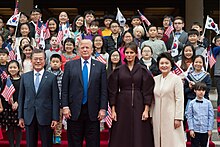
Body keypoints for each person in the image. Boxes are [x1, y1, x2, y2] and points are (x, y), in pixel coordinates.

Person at [62, 39, 107, 147]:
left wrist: (103, 108)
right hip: (73, 111)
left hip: (93, 112)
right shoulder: (70, 65)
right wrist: (65, 106)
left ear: (92, 50)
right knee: (74, 142)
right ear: (78, 50)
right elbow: (65, 88)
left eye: (87, 47)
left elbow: (104, 90)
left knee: (93, 142)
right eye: (82, 47)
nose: (85, 49)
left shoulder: (100, 66)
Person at [108, 42, 154, 147]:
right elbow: (113, 90)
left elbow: (147, 90)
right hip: (122, 103)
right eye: (127, 52)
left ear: (136, 54)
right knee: (121, 130)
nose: (129, 55)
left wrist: (146, 110)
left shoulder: (143, 70)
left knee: (139, 131)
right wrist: (113, 110)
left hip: (139, 103)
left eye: (131, 52)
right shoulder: (119, 70)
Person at [18, 49, 59, 147]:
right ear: (31, 60)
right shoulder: (24, 77)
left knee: (47, 143)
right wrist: (20, 117)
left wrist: (55, 118)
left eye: (40, 59)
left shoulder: (52, 77)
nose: (38, 61)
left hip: (46, 116)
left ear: (45, 61)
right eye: (35, 59)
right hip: (29, 116)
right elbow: (21, 98)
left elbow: (55, 99)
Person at [152, 52, 185, 147]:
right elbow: (153, 99)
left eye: (166, 63)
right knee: (158, 140)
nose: (164, 65)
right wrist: (151, 115)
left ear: (171, 65)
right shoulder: (155, 79)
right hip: (157, 115)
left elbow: (180, 99)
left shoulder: (176, 79)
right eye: (161, 63)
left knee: (173, 141)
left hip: (171, 115)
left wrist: (178, 117)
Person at [0, 60, 22, 147]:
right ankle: (11, 145)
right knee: (9, 127)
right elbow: (3, 93)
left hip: (19, 107)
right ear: (7, 69)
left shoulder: (22, 79)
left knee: (18, 127)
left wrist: (17, 103)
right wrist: (10, 102)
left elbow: (24, 93)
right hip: (8, 107)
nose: (12, 69)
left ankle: (18, 145)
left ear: (18, 68)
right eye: (10, 67)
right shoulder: (6, 80)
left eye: (14, 67)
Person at [186, 82, 214, 147]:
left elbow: (211, 116)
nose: (201, 92)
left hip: (205, 130)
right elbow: (189, 116)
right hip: (195, 130)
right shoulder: (192, 103)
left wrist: (210, 129)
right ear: (195, 90)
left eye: (203, 90)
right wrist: (191, 129)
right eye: (199, 90)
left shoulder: (208, 103)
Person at [47, 54, 64, 144]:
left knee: (59, 119)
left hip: (60, 101)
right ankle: (50, 135)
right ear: (50, 63)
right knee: (49, 119)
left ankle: (57, 135)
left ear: (61, 63)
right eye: (53, 62)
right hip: (49, 101)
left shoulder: (63, 75)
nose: (55, 64)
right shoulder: (46, 74)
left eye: (57, 62)